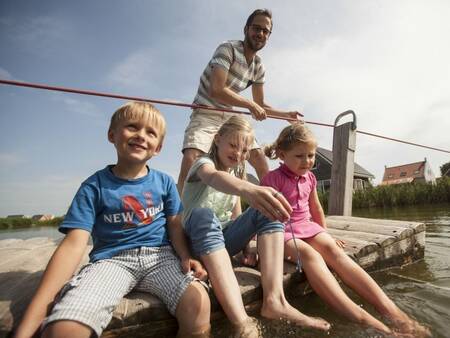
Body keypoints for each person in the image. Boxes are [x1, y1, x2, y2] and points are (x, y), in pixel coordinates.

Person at [14, 102, 211, 338]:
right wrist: (29, 324)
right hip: (112, 260)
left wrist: (186, 255)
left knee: (198, 304)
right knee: (64, 328)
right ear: (112, 135)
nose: (141, 136)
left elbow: (175, 224)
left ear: (158, 148)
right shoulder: (93, 186)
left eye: (150, 132)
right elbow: (74, 244)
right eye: (132, 127)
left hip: (160, 257)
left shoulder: (165, 183)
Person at [262, 122, 431, 337]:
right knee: (310, 256)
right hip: (283, 231)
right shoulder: (271, 179)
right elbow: (263, 217)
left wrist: (325, 234)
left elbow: (315, 207)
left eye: (311, 155)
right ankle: (373, 325)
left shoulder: (311, 178)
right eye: (300, 156)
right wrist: (254, 249)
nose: (307, 161)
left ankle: (392, 312)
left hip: (307, 226)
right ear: (282, 154)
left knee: (334, 251)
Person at [181, 115, 330, 336]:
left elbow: (235, 215)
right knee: (204, 215)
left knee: (268, 208)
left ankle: (275, 301)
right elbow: (212, 177)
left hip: (223, 243)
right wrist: (249, 189)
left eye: (244, 151)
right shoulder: (203, 163)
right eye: (233, 145)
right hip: (196, 244)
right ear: (217, 139)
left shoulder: (237, 172)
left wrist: (247, 246)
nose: (238, 154)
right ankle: (241, 321)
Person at [178, 8, 300, 193]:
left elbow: (259, 103)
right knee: (192, 155)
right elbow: (216, 89)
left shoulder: (259, 67)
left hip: (230, 117)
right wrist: (250, 105)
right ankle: (177, 218)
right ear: (246, 29)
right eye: (256, 28)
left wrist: (285, 114)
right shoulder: (228, 49)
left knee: (259, 157)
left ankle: (273, 209)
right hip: (205, 112)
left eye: (265, 31)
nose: (260, 34)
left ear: (269, 35)